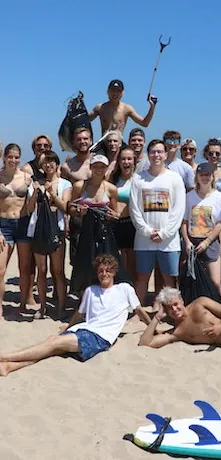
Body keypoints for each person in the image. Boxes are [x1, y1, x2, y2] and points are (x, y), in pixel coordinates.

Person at [0, 255, 151, 377]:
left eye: (108, 270)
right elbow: (79, 314)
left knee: (52, 343)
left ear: (114, 272)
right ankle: (9, 366)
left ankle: (6, 357)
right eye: (101, 271)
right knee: (52, 348)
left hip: (99, 337)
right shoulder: (91, 290)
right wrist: (69, 326)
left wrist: (152, 327)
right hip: (83, 329)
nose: (104, 274)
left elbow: (139, 310)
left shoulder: (124, 289)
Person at [129, 140, 186, 303]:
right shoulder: (138, 179)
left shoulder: (175, 178)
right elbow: (134, 209)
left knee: (169, 280)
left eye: (160, 152)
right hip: (143, 240)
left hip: (169, 241)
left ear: (165, 154)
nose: (156, 155)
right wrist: (147, 231)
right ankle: (137, 314)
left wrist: (164, 233)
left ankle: (170, 311)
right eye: (153, 152)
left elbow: (178, 210)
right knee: (142, 277)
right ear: (148, 154)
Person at [27, 151, 71, 319]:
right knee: (42, 270)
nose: (49, 165)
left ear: (57, 164)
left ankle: (61, 307)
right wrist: (36, 193)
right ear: (41, 165)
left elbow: (65, 207)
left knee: (58, 271)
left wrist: (52, 193)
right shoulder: (36, 183)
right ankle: (43, 307)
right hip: (39, 230)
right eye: (46, 162)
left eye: (52, 162)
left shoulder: (65, 184)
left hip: (57, 230)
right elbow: (29, 209)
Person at [182, 163, 221, 297]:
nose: (204, 178)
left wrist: (207, 242)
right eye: (201, 175)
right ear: (197, 177)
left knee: (215, 281)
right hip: (192, 242)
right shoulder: (189, 196)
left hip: (211, 242)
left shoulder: (219, 197)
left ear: (212, 177)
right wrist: (187, 242)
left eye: (207, 175)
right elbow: (184, 221)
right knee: (191, 279)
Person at [0, 144, 33, 317]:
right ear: (4, 157)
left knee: (24, 267)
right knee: (1, 269)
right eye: (10, 156)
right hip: (3, 224)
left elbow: (34, 201)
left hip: (23, 223)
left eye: (16, 157)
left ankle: (22, 303)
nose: (13, 160)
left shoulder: (27, 177)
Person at [67, 154, 118, 267]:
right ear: (90, 167)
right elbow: (71, 209)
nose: (99, 170)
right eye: (96, 166)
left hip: (102, 233)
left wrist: (110, 215)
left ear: (106, 168)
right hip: (82, 232)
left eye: (102, 167)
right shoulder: (79, 186)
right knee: (82, 266)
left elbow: (115, 214)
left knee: (104, 265)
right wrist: (79, 211)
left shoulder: (111, 189)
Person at [88, 80, 157, 136]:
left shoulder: (127, 108)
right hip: (104, 142)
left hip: (119, 143)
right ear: (107, 91)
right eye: (113, 90)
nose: (115, 93)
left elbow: (144, 123)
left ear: (122, 93)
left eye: (118, 91)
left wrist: (152, 107)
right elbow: (85, 119)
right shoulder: (100, 108)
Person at [111, 146, 137, 281]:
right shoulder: (113, 179)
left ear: (134, 161)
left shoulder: (138, 180)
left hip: (132, 223)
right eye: (123, 159)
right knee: (118, 261)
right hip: (115, 223)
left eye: (129, 159)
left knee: (132, 263)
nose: (126, 162)